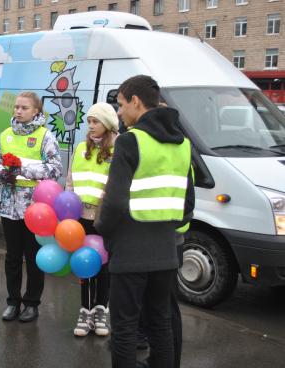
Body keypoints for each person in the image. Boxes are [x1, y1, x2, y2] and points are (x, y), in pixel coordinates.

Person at [94, 75, 195, 368]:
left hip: (130, 250)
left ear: (136, 102)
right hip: (165, 250)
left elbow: (113, 203)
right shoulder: (183, 144)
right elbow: (188, 204)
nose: (119, 112)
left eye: (122, 104)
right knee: (160, 323)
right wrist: (165, 230)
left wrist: (104, 231)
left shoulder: (130, 140)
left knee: (124, 326)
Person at [0, 91, 63, 322]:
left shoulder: (45, 136)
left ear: (36, 111)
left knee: (34, 257)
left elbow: (55, 169)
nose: (18, 111)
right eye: (16, 107)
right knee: (12, 257)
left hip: (36, 209)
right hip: (8, 207)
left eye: (24, 108)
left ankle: (32, 303)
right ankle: (12, 301)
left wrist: (22, 170)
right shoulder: (5, 136)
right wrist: (3, 173)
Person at [65, 102, 117, 337]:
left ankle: (101, 310)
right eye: (89, 121)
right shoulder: (80, 148)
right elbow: (70, 181)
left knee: (104, 268)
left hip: (104, 218)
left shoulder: (118, 149)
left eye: (96, 121)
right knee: (85, 266)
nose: (91, 126)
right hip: (81, 217)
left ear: (107, 124)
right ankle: (85, 311)